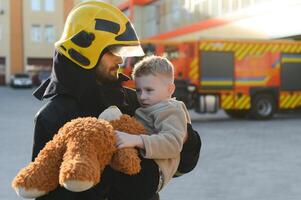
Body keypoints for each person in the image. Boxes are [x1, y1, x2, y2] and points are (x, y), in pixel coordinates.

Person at [31, 1, 201, 200]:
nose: (120, 60)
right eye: (112, 51)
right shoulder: (53, 116)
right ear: (84, 50)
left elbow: (180, 165)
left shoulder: (134, 99)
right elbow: (46, 191)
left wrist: (186, 138)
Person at [115, 55, 191, 193]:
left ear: (170, 89)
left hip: (156, 173)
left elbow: (172, 144)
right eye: (138, 90)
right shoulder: (150, 106)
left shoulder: (171, 110)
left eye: (149, 90)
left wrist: (136, 140)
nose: (142, 96)